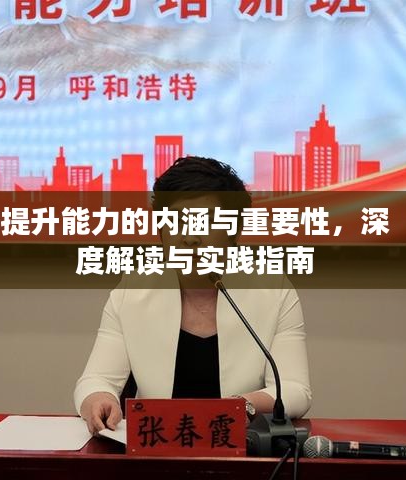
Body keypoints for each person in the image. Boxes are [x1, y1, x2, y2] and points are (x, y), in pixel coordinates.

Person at [74, 156, 312, 435]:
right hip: (156, 445)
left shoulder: (273, 290)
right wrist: (99, 399)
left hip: (241, 445)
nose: (190, 237)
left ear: (235, 230)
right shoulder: (134, 290)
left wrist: (241, 406)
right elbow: (95, 380)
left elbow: (295, 389)